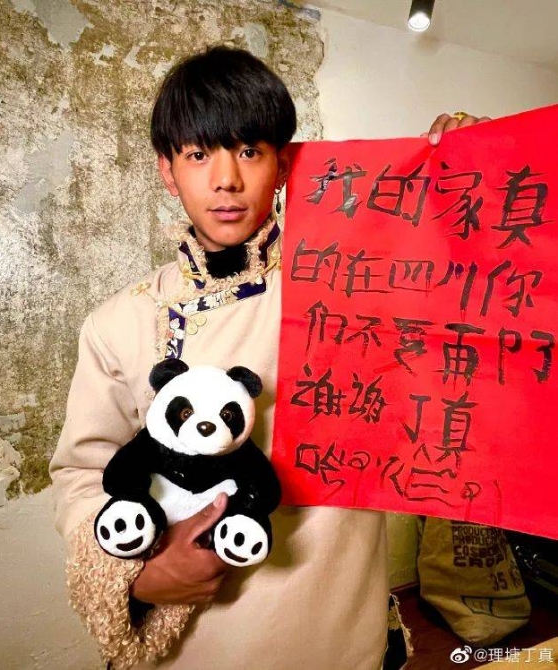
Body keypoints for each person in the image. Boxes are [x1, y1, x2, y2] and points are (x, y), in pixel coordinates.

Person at [49, 46, 489, 670]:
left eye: (249, 151)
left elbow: (471, 312)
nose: (226, 179)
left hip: (341, 632)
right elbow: (82, 472)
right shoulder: (120, 321)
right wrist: (142, 577)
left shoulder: (354, 286)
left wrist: (477, 174)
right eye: (198, 154)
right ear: (167, 171)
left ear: (282, 165)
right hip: (198, 643)